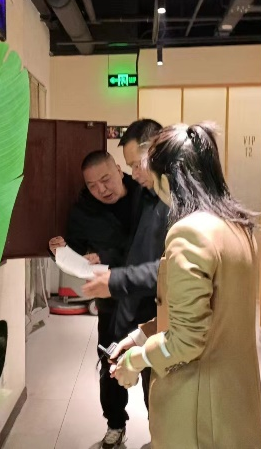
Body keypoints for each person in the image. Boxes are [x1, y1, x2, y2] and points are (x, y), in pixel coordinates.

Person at [110, 123, 261, 449]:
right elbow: (212, 314)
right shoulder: (238, 227)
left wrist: (134, 361)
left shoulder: (189, 233)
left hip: (198, 415)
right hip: (235, 406)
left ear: (168, 180)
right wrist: (140, 335)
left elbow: (187, 340)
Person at [48, 150, 143, 449]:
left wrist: (106, 255)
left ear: (119, 170)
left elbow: (145, 247)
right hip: (110, 300)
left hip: (148, 295)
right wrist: (59, 248)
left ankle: (162, 429)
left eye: (106, 179)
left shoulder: (143, 197)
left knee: (154, 364)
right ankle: (115, 425)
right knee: (110, 360)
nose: (101, 189)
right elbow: (75, 251)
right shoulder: (83, 211)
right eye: (92, 185)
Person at [82, 119, 169, 448]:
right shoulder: (144, 195)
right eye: (130, 166)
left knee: (155, 381)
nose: (134, 174)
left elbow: (168, 270)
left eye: (136, 164)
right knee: (112, 365)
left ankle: (161, 439)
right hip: (124, 302)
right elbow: (132, 247)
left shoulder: (172, 202)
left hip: (154, 309)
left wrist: (117, 279)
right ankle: (117, 426)